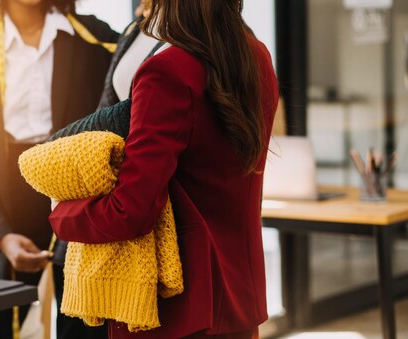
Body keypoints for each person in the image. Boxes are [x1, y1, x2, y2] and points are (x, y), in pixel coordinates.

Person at [48, 0, 279, 338]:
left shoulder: (167, 70)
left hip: (177, 310)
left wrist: (61, 213)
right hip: (240, 299)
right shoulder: (256, 55)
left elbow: (129, 211)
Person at [0, 0, 118, 338]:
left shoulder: (92, 36)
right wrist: (0, 235)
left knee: (85, 318)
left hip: (76, 190)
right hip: (5, 200)